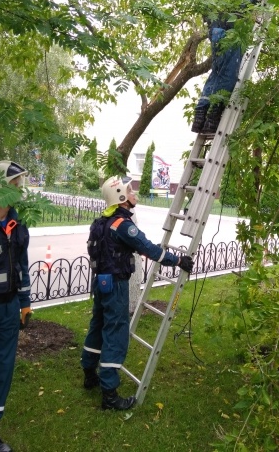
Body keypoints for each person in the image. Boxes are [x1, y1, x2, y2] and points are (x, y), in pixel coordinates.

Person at [81, 175, 194, 411]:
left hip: (100, 283)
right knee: (115, 332)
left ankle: (89, 373)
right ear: (121, 197)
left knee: (97, 326)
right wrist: (178, 260)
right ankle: (109, 394)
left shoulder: (101, 222)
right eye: (131, 191)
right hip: (116, 285)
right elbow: (148, 248)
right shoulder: (122, 225)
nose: (135, 194)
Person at [191, 0, 279, 135]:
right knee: (228, 75)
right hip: (229, 34)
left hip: (215, 34)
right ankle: (212, 118)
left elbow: (212, 11)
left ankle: (200, 116)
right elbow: (244, 5)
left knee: (216, 73)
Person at [0, 160, 31, 452]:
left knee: (2, 367)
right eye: (15, 183)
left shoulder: (17, 223)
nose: (19, 189)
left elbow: (22, 268)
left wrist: (24, 303)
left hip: (9, 309)